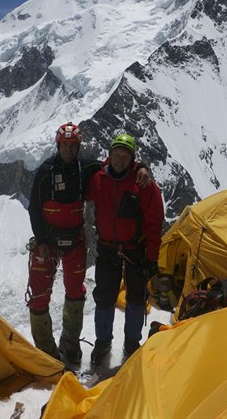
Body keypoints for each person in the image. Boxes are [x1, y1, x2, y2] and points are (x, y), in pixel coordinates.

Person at [26, 123, 150, 366]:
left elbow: (117, 166)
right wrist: (40, 240)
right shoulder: (45, 172)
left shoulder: (88, 167)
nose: (69, 150)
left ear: (79, 146)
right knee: (39, 296)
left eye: (73, 146)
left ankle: (70, 347)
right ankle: (46, 353)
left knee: (75, 293)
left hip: (74, 240)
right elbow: (33, 208)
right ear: (58, 145)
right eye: (65, 145)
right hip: (47, 243)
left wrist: (143, 167)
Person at [87, 133, 165, 366]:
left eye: (125, 156)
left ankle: (131, 343)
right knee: (104, 298)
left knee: (136, 299)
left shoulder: (143, 184)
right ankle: (103, 342)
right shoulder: (98, 179)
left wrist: (152, 258)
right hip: (107, 248)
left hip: (135, 250)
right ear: (109, 155)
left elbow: (154, 223)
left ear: (132, 159)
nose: (120, 159)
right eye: (116, 154)